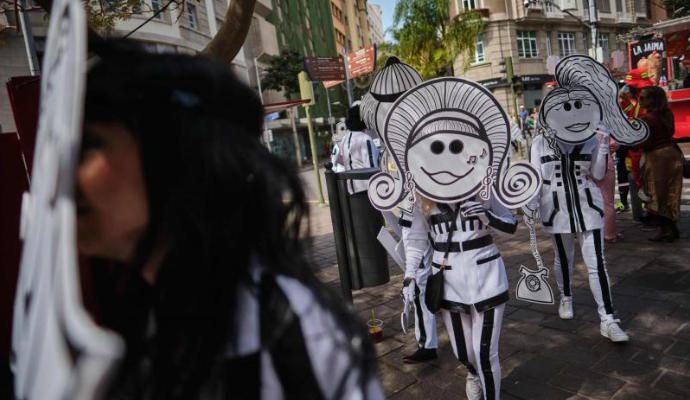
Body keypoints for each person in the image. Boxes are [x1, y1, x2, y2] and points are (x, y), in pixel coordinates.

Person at [79, 39, 383, 399]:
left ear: (175, 157)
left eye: (89, 146)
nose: (66, 173)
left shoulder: (293, 336)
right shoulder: (139, 314)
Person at [367, 77, 542, 400]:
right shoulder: (421, 192)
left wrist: (486, 214)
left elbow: (510, 227)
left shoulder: (485, 185)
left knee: (485, 352)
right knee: (464, 354)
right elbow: (417, 238)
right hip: (445, 277)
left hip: (486, 274)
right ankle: (473, 375)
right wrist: (408, 276)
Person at [525, 56, 650, 343]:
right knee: (563, 258)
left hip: (587, 205)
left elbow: (595, 174)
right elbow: (535, 176)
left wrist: (604, 145)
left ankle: (608, 318)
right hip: (555, 207)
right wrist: (528, 204)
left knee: (597, 264)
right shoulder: (540, 142)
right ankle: (566, 295)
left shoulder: (591, 139)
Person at [638, 86, 684, 242]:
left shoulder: (647, 119)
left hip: (658, 159)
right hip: (672, 155)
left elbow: (645, 143)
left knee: (657, 195)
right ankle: (671, 228)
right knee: (671, 193)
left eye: (643, 98)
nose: (640, 100)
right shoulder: (666, 114)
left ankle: (666, 231)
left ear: (653, 100)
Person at [336, 103, 380, 194]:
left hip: (351, 188)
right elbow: (372, 168)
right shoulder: (365, 139)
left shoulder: (344, 139)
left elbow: (341, 161)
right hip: (366, 189)